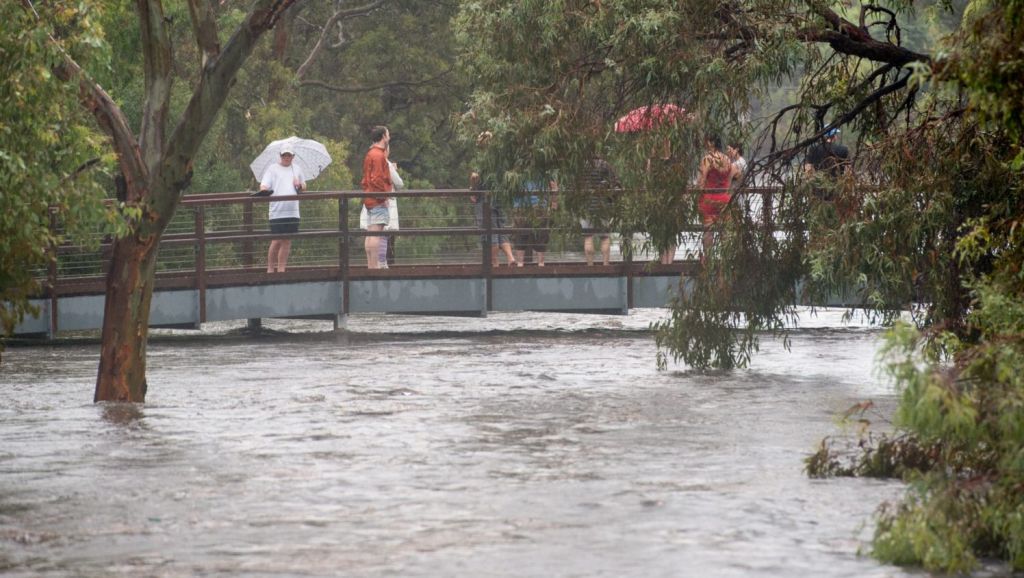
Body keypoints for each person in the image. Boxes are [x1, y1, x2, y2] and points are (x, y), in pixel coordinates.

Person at [258, 144, 306, 273]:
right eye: (284, 155)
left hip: (293, 211)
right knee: (276, 240)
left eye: (289, 155)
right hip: (277, 211)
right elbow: (263, 185)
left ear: (293, 156)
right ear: (280, 156)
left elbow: (303, 186)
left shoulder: (297, 169)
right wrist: (264, 190)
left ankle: (281, 269)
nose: (286, 157)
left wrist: (300, 185)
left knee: (287, 240)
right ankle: (270, 268)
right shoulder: (272, 169)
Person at [695, 135, 741, 260]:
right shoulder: (727, 159)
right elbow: (737, 174)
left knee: (708, 232)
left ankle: (708, 259)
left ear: (711, 143)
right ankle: (726, 260)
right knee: (725, 233)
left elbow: (702, 180)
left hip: (709, 200)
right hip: (725, 200)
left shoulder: (707, 159)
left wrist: (697, 194)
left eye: (707, 142)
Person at [360, 143, 402, 268]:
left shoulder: (369, 162)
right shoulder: (385, 163)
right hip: (381, 203)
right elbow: (399, 183)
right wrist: (393, 169)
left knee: (371, 234)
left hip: (369, 202)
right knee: (381, 234)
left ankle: (371, 265)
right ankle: (379, 264)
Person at [470, 171, 517, 267]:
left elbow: (474, 180)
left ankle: (494, 262)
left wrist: (472, 187)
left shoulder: (482, 173)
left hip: (486, 205)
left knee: (491, 235)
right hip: (499, 203)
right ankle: (510, 257)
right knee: (501, 231)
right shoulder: (499, 172)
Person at [360, 125, 392, 269]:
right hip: (377, 199)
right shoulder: (379, 155)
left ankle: (370, 265)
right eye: (388, 134)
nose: (389, 137)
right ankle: (374, 268)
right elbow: (377, 179)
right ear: (383, 137)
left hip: (369, 198)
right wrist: (383, 197)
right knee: (375, 234)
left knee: (370, 232)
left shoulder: (370, 154)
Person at [579, 158, 616, 266]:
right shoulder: (605, 164)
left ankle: (590, 266)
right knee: (604, 237)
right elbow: (615, 184)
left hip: (587, 207)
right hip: (603, 206)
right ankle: (605, 265)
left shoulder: (582, 165)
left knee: (588, 236)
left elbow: (576, 186)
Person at [513, 178, 558, 266]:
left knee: (539, 236)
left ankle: (535, 264)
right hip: (522, 206)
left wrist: (554, 204)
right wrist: (554, 205)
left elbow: (554, 185)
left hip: (536, 206)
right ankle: (524, 264)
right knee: (523, 236)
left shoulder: (543, 170)